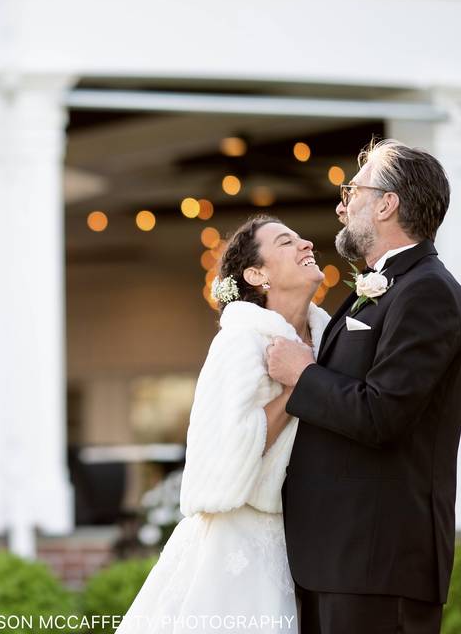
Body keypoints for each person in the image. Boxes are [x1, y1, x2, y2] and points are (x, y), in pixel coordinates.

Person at [266, 139, 461, 634]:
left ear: (387, 204)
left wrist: (302, 373)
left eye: (353, 191)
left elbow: (382, 416)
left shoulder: (427, 292)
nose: (343, 205)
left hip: (378, 563)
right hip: (339, 560)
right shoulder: (381, 286)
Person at [115, 215, 331, 633]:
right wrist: (296, 388)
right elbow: (230, 452)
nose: (306, 243)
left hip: (305, 542)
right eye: (287, 242)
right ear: (256, 274)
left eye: (301, 236)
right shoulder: (240, 341)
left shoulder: (328, 338)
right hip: (237, 542)